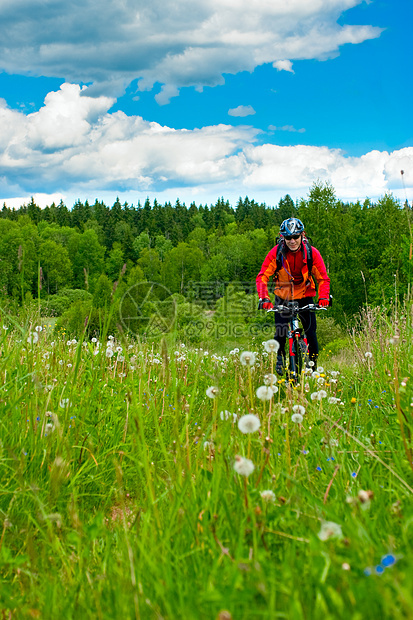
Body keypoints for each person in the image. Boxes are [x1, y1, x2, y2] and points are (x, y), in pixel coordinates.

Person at [256, 217, 330, 374]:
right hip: (283, 297)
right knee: (281, 331)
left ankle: (313, 365)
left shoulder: (312, 253)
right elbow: (262, 277)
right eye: (288, 237)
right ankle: (280, 358)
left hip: (305, 296)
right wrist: (265, 298)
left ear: (302, 235)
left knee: (311, 333)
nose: (292, 241)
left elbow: (323, 278)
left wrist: (323, 298)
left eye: (295, 236)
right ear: (282, 237)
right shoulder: (276, 253)